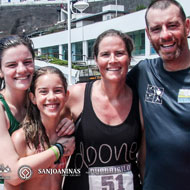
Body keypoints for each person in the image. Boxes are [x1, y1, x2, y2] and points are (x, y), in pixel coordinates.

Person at [63, 29, 145, 190]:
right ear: (95, 59)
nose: (113, 60)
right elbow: (42, 129)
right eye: (105, 54)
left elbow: (144, 161)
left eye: (120, 53)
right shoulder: (75, 95)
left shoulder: (140, 102)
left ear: (129, 58)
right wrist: (59, 140)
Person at [126, 0, 190, 190]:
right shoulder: (144, 72)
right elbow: (105, 92)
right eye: (156, 29)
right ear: (148, 34)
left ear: (187, 27)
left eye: (172, 26)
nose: (165, 35)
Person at [0, 35, 75, 189]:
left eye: (27, 62)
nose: (21, 69)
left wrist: (69, 121)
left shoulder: (40, 102)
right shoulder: (2, 110)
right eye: (12, 65)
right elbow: (12, 174)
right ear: (0, 71)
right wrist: (59, 149)